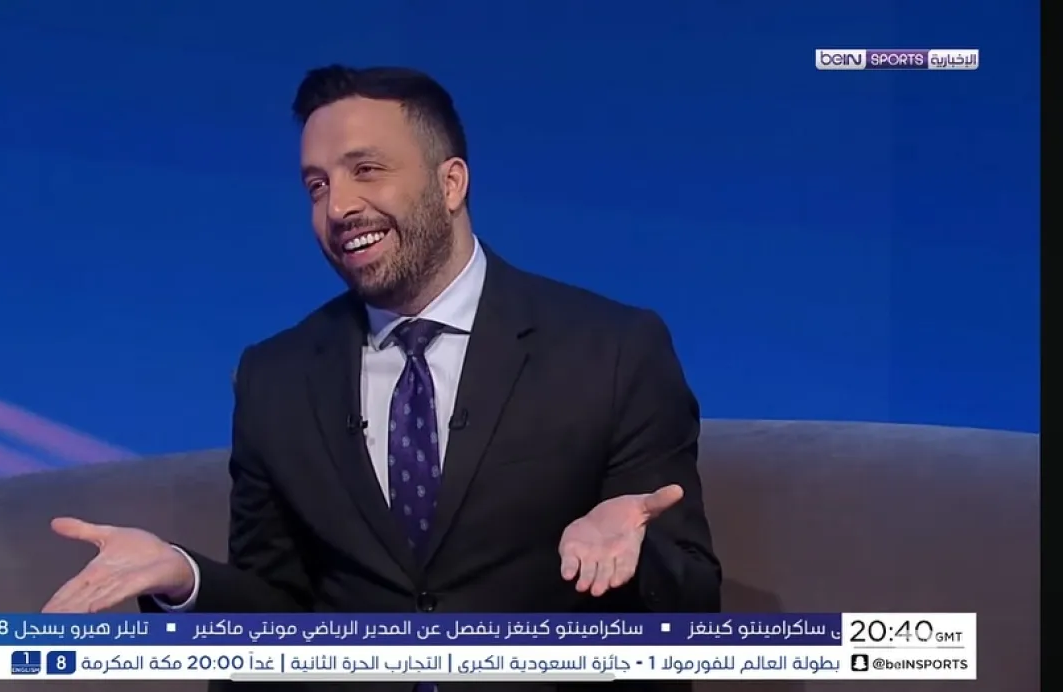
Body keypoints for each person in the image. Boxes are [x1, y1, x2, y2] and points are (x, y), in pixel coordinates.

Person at [43, 65, 721, 691]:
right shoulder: (275, 379)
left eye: (365, 170)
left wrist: (636, 556)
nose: (338, 207)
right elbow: (277, 618)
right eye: (317, 186)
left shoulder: (611, 349)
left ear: (450, 184)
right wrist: (184, 579)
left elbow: (694, 605)